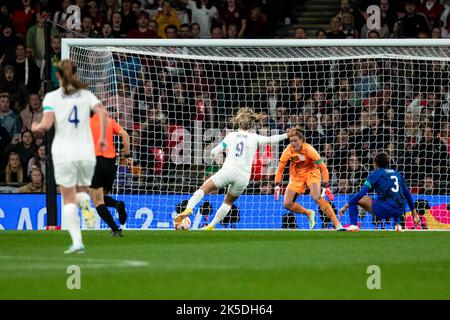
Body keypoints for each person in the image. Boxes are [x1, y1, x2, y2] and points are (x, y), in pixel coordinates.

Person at [174, 107, 296, 229]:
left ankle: (189, 208)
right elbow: (271, 139)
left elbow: (214, 152)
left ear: (239, 123)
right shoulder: (255, 137)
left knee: (203, 189)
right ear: (251, 124)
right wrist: (287, 134)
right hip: (243, 177)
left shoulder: (231, 135)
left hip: (228, 171)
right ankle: (210, 226)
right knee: (228, 202)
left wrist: (215, 152)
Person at [31, 59, 108, 254]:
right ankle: (87, 206)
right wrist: (101, 139)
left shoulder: (52, 97)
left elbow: (46, 125)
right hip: (86, 151)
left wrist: (35, 127)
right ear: (75, 74)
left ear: (58, 76)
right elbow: (103, 113)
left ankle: (77, 242)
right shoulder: (86, 95)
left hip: (64, 152)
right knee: (81, 188)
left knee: (67, 198)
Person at [274, 130, 345, 231]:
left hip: (311, 173)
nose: (293, 144)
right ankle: (308, 213)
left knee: (316, 196)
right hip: (296, 176)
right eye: (291, 141)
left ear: (302, 140)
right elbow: (280, 169)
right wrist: (277, 184)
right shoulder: (287, 151)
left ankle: (337, 224)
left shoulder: (309, 150)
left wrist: (326, 185)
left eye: (295, 141)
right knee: (287, 203)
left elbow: (323, 167)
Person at [339, 153, 421, 232]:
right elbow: (407, 194)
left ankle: (353, 225)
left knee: (353, 197)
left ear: (375, 164)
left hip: (384, 210)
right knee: (394, 197)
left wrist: (346, 206)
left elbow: (361, 193)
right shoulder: (397, 173)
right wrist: (414, 214)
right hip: (400, 210)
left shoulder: (375, 174)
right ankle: (398, 225)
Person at [89, 113, 130, 237]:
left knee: (97, 201)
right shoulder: (109, 120)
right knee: (102, 196)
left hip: (96, 160)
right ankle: (117, 204)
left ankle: (115, 229)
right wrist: (127, 156)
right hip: (112, 163)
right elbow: (125, 135)